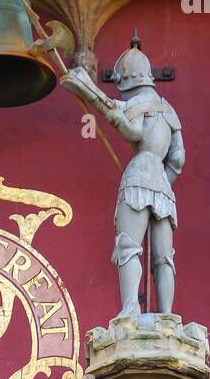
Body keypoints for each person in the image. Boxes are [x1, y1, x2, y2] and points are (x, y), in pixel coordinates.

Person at [61, 40, 184, 317]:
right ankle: (166, 315)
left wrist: (105, 108)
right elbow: (177, 159)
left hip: (139, 175)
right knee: (164, 258)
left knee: (128, 246)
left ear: (126, 80)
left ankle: (130, 307)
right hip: (163, 186)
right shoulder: (169, 111)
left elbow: (133, 132)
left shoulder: (139, 104)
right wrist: (160, 181)